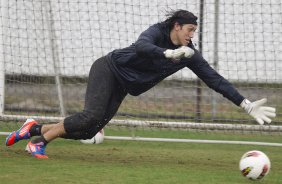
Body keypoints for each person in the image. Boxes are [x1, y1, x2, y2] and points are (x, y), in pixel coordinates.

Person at [5, 9, 276, 159]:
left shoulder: (190, 54)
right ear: (177, 26)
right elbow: (142, 46)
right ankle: (40, 141)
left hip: (123, 85)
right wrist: (166, 54)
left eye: (195, 31)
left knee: (89, 130)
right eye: (190, 30)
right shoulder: (156, 32)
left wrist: (246, 104)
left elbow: (215, 80)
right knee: (91, 115)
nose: (192, 35)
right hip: (108, 68)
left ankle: (33, 127)